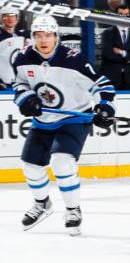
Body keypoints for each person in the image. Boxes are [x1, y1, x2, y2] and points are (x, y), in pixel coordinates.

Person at [12, 14, 116, 235]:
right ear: (32, 37)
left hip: (74, 117)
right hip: (44, 120)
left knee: (62, 162)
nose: (43, 40)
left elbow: (102, 84)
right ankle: (42, 204)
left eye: (48, 35)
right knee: (30, 167)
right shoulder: (22, 58)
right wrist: (26, 99)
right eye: (38, 35)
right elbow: (19, 84)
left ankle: (72, 209)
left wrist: (104, 106)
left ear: (56, 37)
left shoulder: (74, 59)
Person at [99, 6, 130, 90]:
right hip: (111, 77)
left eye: (126, 14)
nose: (124, 17)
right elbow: (108, 55)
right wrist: (129, 56)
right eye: (121, 14)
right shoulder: (108, 33)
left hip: (128, 80)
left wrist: (122, 53)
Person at [0, 4, 27, 87]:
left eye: (12, 16)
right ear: (1, 18)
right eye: (6, 16)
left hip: (17, 82)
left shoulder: (22, 34)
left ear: (17, 18)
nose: (10, 19)